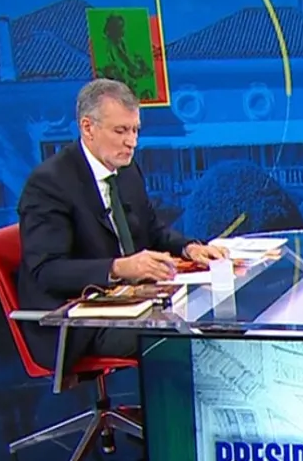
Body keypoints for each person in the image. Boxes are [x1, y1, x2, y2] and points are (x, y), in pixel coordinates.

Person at [16, 78, 227, 370]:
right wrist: (118, 268)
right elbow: (47, 271)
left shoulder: (126, 171)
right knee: (183, 337)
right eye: (121, 131)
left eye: (135, 130)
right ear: (88, 127)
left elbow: (152, 230)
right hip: (76, 321)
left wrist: (189, 248)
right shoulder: (49, 183)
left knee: (210, 316)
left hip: (131, 301)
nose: (132, 141)